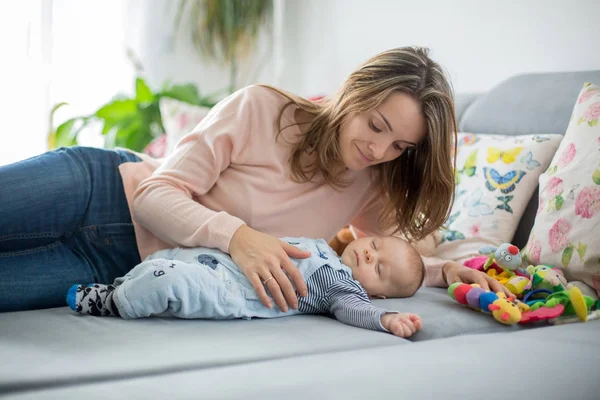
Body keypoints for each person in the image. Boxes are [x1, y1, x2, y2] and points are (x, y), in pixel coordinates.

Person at [0, 46, 511, 313]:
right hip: (100, 190)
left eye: (399, 145)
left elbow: (399, 251)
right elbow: (155, 196)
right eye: (376, 125)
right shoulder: (261, 109)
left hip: (117, 266)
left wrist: (447, 272)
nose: (378, 150)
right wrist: (239, 238)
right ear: (354, 93)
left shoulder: (372, 179)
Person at [67, 235, 425, 338]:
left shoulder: (342, 286)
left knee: (169, 278)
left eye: (379, 268)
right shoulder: (323, 246)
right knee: (170, 256)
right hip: (225, 263)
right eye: (374, 245)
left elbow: (354, 310)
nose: (367, 255)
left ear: (376, 293)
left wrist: (386, 319)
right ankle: (121, 287)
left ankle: (112, 301)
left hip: (231, 290)